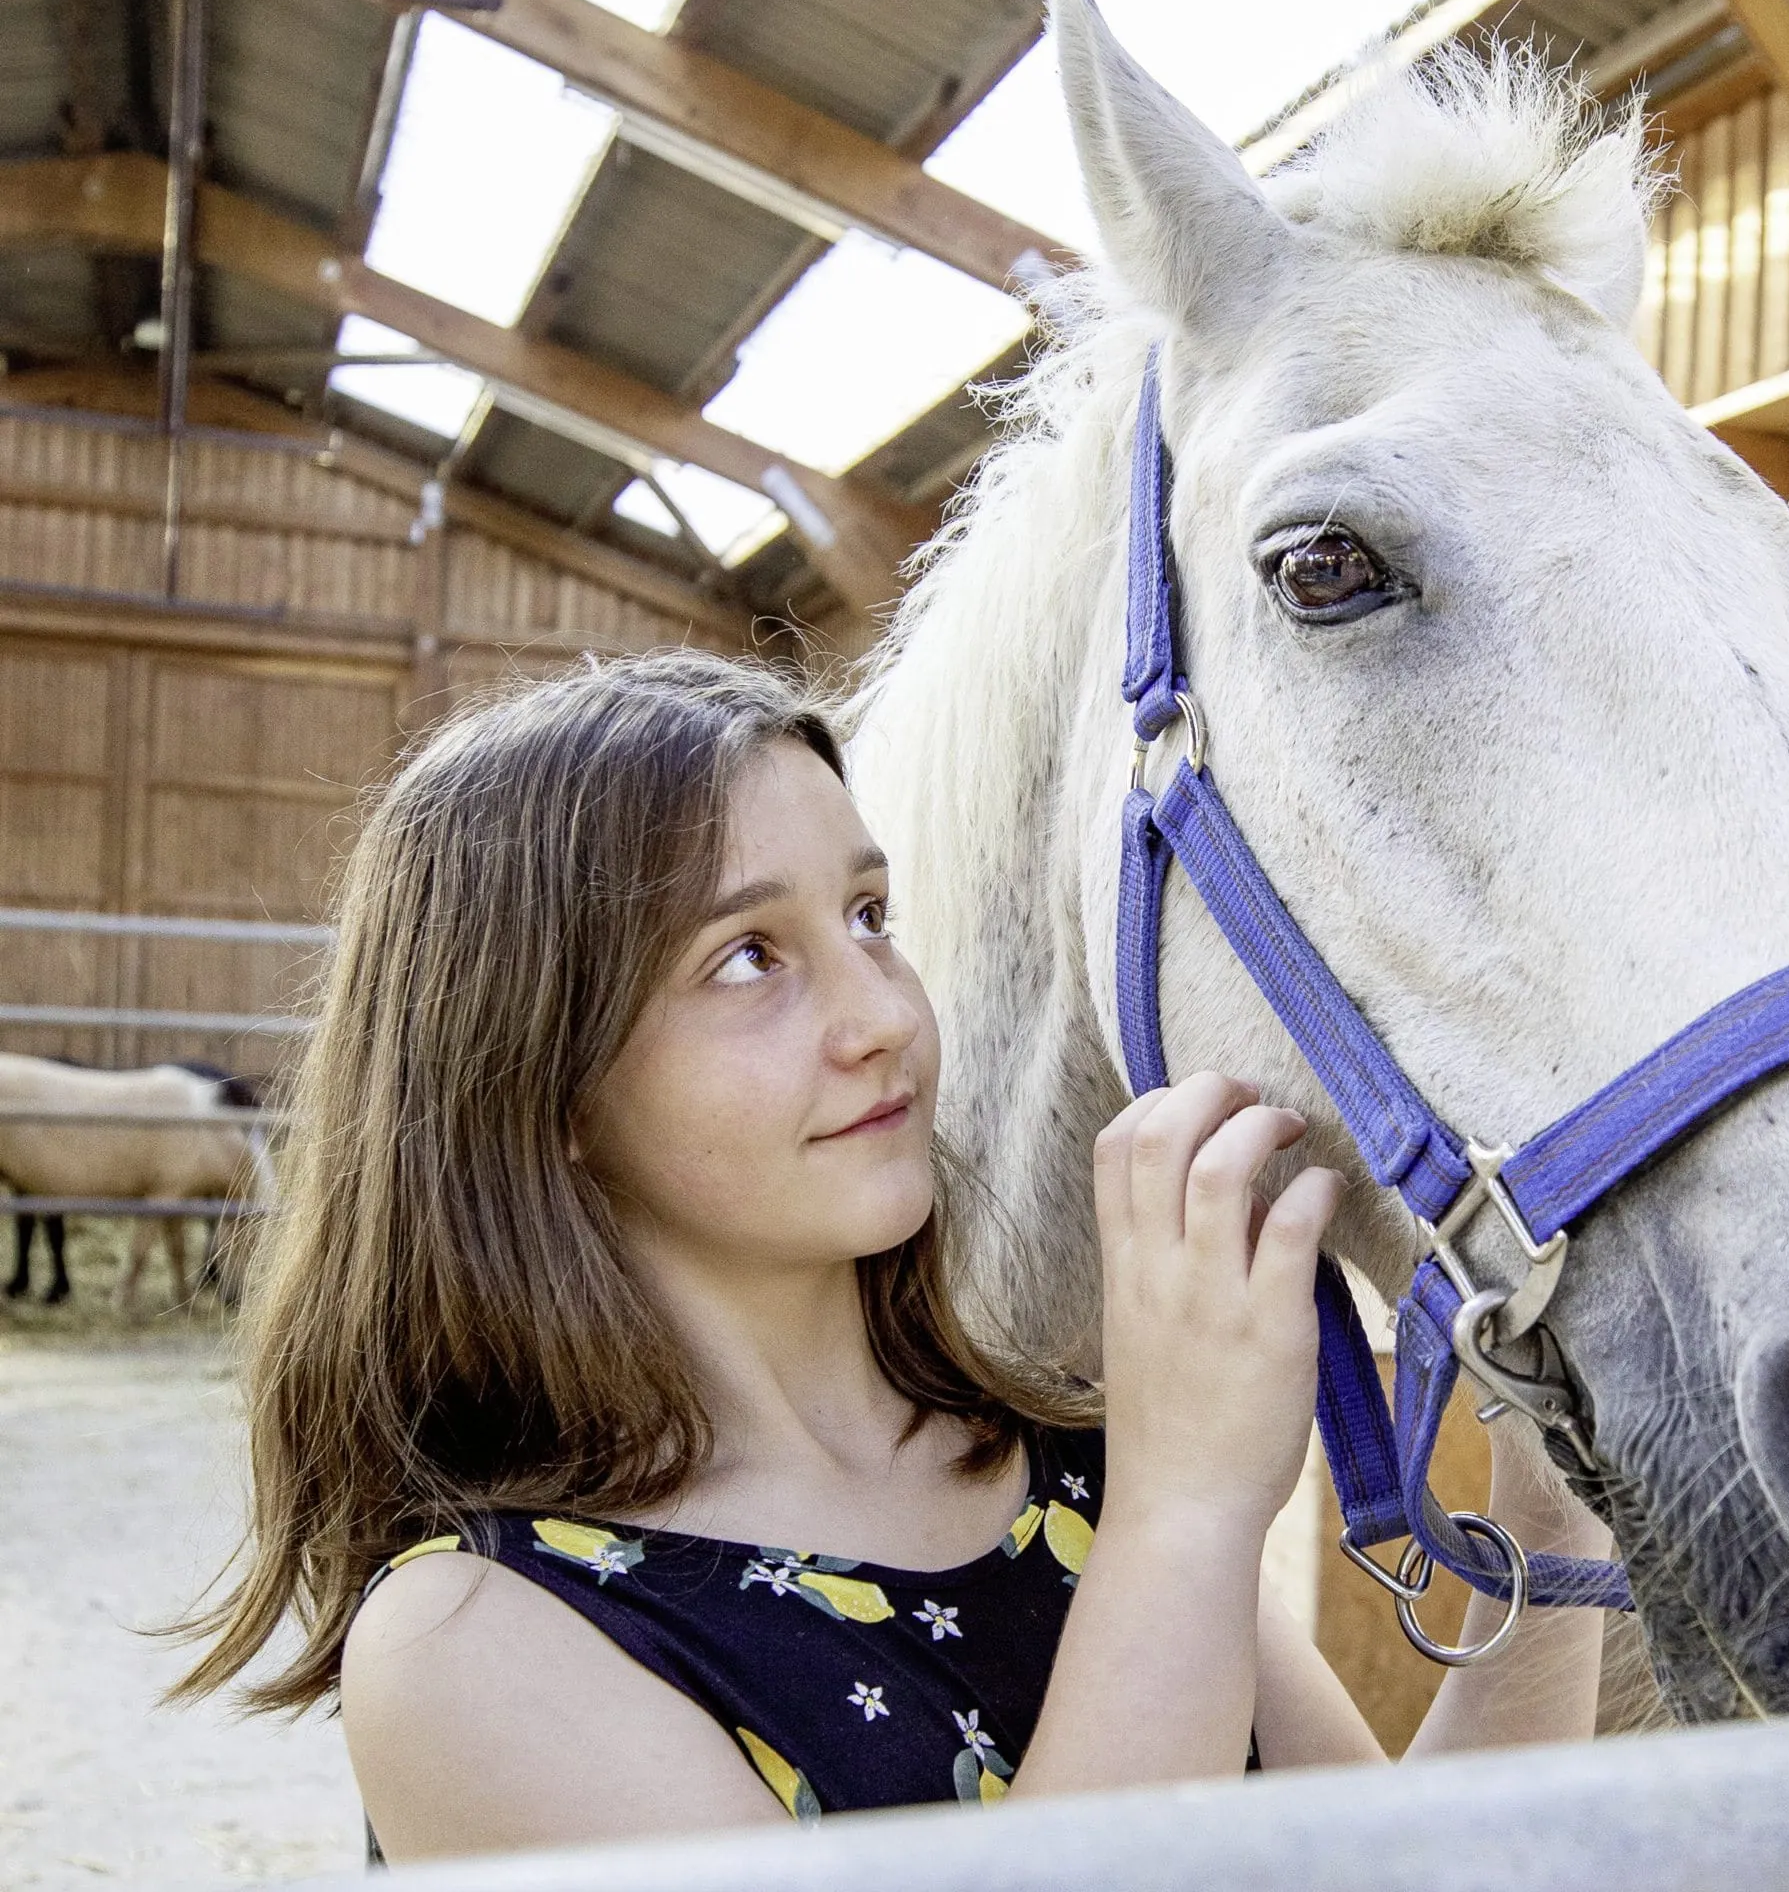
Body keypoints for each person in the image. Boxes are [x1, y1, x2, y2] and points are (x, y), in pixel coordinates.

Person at [174, 652, 1608, 1861]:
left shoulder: (1081, 1480)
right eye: (748, 957)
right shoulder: (478, 1644)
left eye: (869, 917)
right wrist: (1184, 1511)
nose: (883, 1017)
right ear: (540, 1093)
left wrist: (1553, 1532)